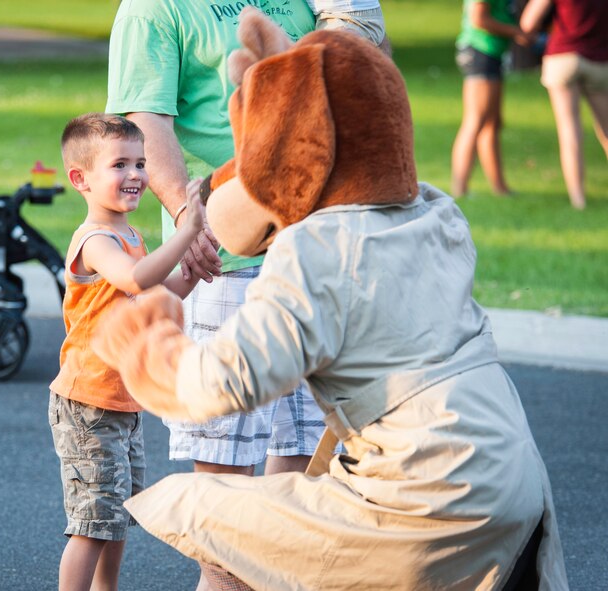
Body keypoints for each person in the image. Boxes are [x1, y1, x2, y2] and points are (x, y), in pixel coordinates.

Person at [93, 17, 567, 589]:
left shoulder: (316, 249)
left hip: (424, 499)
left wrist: (149, 338)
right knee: (301, 491)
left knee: (197, 506)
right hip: (516, 486)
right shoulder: (436, 215)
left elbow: (223, 383)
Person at [105, 0, 329, 537]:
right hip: (224, 256)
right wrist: (190, 220)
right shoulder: (153, 10)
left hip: (312, 253)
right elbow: (145, 125)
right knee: (227, 471)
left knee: (307, 454)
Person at [49, 113, 204, 591]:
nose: (135, 174)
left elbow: (159, 291)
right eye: (120, 165)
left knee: (119, 511)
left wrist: (196, 266)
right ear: (82, 179)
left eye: (140, 163)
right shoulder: (95, 242)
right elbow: (135, 279)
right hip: (88, 402)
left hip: (122, 400)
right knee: (92, 521)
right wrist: (186, 229)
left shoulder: (131, 237)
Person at [521, 0, 608, 210]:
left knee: (569, 130)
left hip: (563, 57)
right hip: (599, 60)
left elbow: (528, 22)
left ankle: (578, 200)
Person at [451, 0, 535, 198]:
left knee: (492, 123)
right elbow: (479, 19)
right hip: (480, 52)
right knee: (475, 121)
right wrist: (516, 32)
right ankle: (459, 189)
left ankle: (499, 188)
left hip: (492, 54)